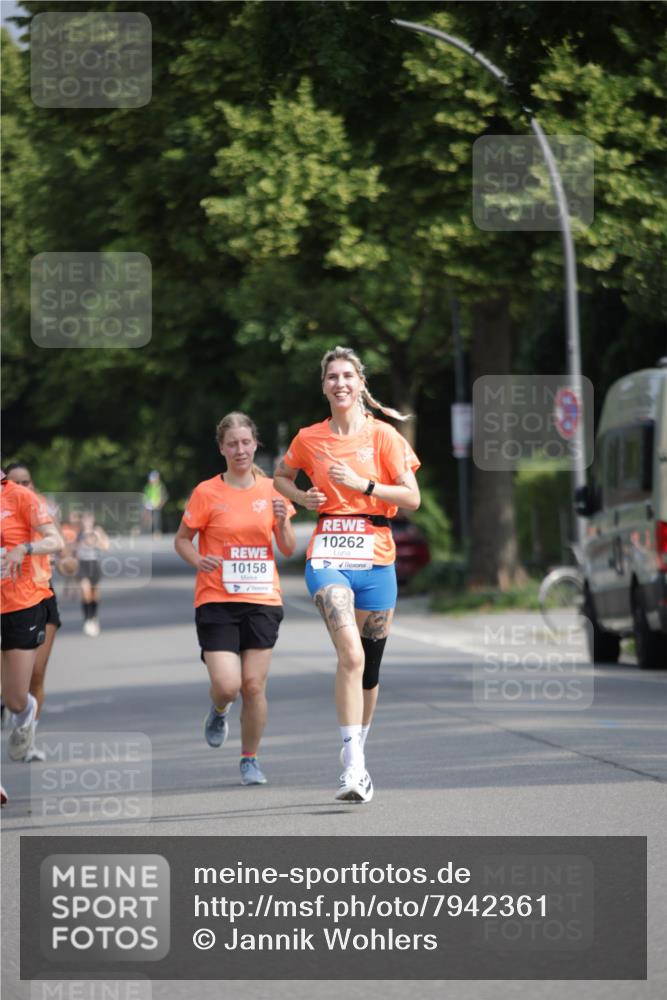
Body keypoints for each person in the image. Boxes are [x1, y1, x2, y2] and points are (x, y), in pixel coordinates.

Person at [273, 346, 421, 804]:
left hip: (377, 556)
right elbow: (280, 476)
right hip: (328, 554)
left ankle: (357, 746)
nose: (340, 383)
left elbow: (412, 498)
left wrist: (365, 485)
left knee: (369, 669)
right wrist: (301, 498)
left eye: (348, 376)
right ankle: (353, 766)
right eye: (332, 376)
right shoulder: (309, 438)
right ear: (324, 386)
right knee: (350, 656)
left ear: (361, 384)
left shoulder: (385, 438)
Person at [174, 412, 296, 786]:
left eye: (246, 442)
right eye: (232, 444)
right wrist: (199, 558)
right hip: (216, 598)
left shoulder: (274, 490)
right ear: (222, 448)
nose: (240, 450)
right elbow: (181, 539)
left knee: (254, 686)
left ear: (255, 444)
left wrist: (284, 521)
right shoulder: (207, 492)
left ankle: (249, 759)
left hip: (262, 598)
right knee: (228, 685)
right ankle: (219, 708)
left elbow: (288, 549)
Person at [1, 468, 63, 764]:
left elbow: (56, 540)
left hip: (20, 603)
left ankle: (25, 716)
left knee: (15, 698)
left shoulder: (21, 497)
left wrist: (24, 549)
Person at [75, 510, 109, 636]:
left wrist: (95, 539)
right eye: (85, 519)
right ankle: (88, 619)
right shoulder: (78, 533)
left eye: (89, 519)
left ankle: (94, 617)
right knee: (85, 591)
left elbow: (106, 547)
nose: (87, 522)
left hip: (94, 564)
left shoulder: (98, 532)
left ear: (93, 520)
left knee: (94, 594)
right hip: (83, 565)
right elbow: (74, 551)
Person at [143, 470, 168, 536]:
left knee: (157, 519)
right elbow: (145, 496)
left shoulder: (160, 486)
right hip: (149, 506)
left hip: (157, 505)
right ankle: (148, 532)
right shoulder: (148, 487)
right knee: (149, 519)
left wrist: (161, 504)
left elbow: (164, 496)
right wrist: (145, 503)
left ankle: (157, 532)